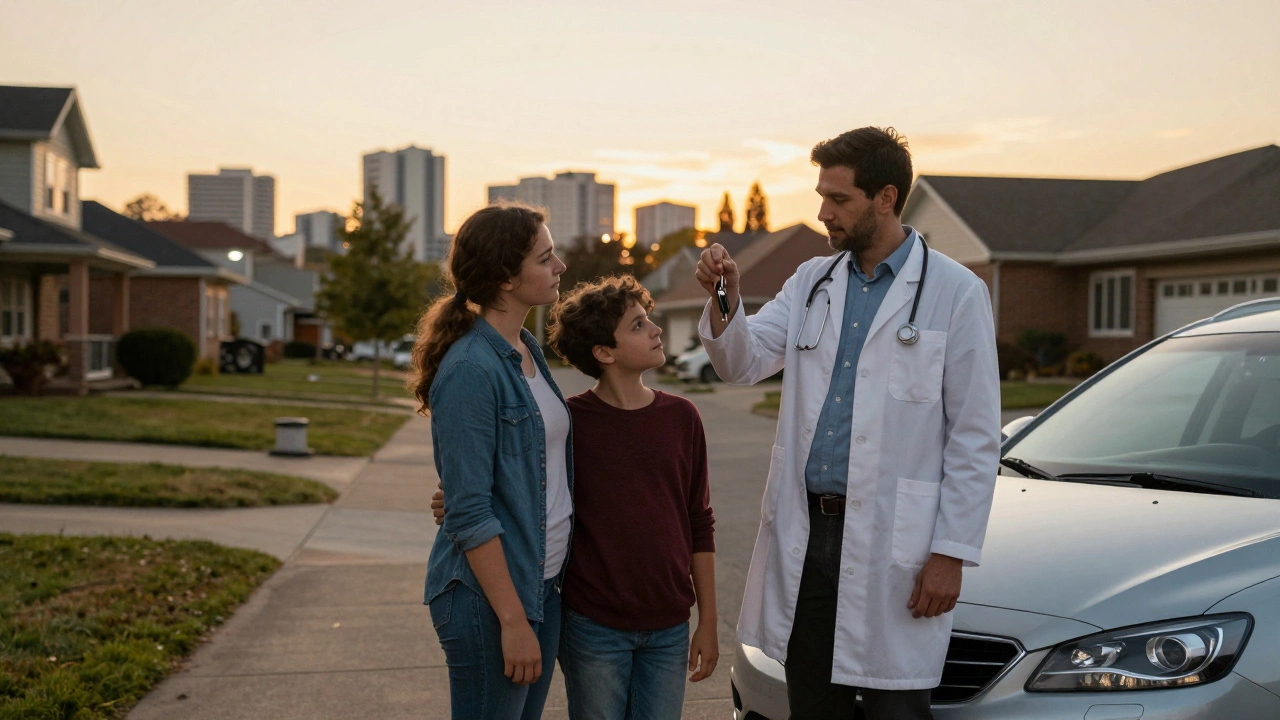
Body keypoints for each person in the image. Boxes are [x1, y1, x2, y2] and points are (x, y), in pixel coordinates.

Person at [693, 127, 1000, 719]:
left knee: (895, 704)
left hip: (895, 538)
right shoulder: (813, 282)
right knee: (812, 699)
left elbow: (975, 435)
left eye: (839, 199)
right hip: (809, 533)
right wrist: (726, 297)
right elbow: (743, 361)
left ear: (885, 197)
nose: (822, 212)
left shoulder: (956, 293)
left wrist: (950, 553)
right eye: (821, 196)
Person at [432, 275, 719, 719]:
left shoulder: (683, 418)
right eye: (639, 325)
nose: (657, 329)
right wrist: (451, 499)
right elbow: (524, 482)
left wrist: (710, 621)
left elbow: (699, 521)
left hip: (669, 625)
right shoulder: (571, 423)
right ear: (604, 353)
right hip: (593, 624)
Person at [410, 201, 571, 720]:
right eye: (545, 258)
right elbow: (470, 511)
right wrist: (513, 620)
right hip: (492, 602)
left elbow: (527, 472)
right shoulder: (471, 370)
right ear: (506, 277)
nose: (560, 266)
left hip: (542, 586)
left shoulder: (524, 347)